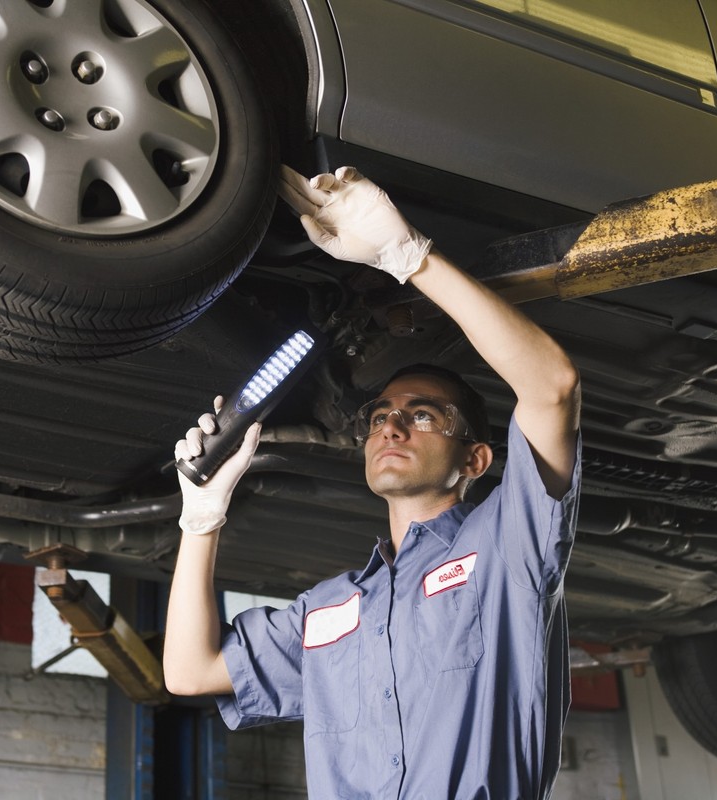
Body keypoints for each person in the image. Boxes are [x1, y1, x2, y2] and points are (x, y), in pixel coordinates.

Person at [164, 165, 582, 799]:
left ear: (474, 461)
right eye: (381, 415)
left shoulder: (504, 548)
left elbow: (552, 389)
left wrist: (406, 256)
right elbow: (190, 672)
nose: (392, 427)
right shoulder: (333, 610)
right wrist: (201, 517)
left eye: (422, 415)